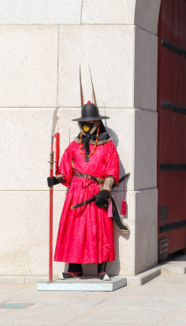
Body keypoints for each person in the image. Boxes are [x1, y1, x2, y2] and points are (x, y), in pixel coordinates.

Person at [46, 85, 128, 281]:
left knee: (99, 229)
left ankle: (102, 268)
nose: (86, 124)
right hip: (75, 192)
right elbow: (65, 167)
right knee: (74, 229)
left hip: (95, 192)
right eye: (84, 121)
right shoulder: (74, 144)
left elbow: (112, 169)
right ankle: (74, 267)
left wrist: (106, 190)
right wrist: (56, 179)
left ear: (97, 122)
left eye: (89, 121)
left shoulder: (107, 146)